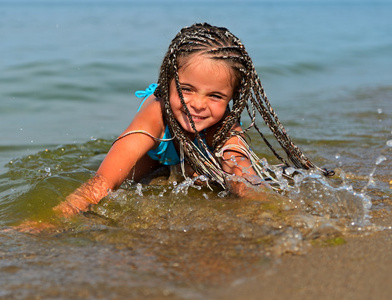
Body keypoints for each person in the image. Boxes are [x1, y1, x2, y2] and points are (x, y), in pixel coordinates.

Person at [39, 23, 333, 222]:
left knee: (225, 175)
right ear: (167, 83)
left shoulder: (225, 126)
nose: (199, 104)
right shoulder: (156, 113)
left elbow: (245, 177)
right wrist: (53, 220)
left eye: (216, 95)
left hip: (199, 151)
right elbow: (101, 182)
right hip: (156, 150)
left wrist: (272, 215)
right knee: (122, 181)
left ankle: (192, 166)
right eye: (187, 89)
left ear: (233, 99)